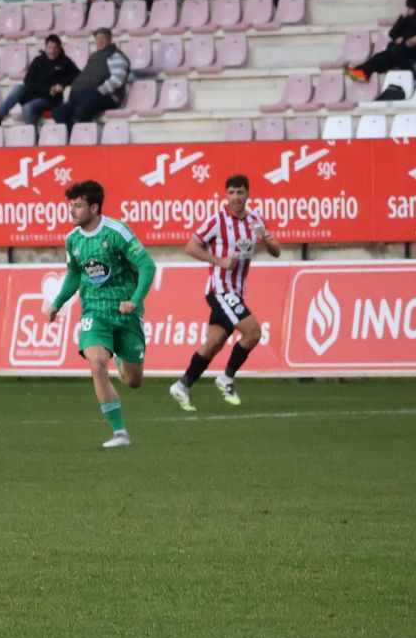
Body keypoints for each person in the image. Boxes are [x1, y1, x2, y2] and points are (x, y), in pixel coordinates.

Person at [45, 179, 157, 449]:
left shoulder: (117, 232)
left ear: (94, 208)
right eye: (71, 205)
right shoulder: (72, 240)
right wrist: (57, 303)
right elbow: (74, 275)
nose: (72, 211)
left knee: (133, 380)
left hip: (126, 313)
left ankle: (120, 359)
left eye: (78, 206)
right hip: (94, 312)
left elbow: (147, 266)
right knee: (96, 364)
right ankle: (120, 433)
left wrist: (134, 300)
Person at [168, 175, 281, 412]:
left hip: (237, 292)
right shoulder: (217, 220)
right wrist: (218, 260)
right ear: (226, 195)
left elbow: (276, 251)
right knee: (253, 332)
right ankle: (227, 378)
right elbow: (191, 246)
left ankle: (182, 385)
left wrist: (266, 240)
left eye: (240, 192)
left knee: (213, 343)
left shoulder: (255, 219)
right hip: (219, 289)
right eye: (231, 192)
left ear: (247, 194)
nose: (236, 197)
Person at [0, 34, 79, 127]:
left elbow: (78, 75)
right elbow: (27, 80)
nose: (52, 51)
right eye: (49, 48)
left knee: (27, 108)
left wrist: (62, 84)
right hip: (34, 94)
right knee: (19, 88)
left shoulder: (66, 62)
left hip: (49, 99)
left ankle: (34, 134)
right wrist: (47, 89)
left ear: (60, 48)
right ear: (45, 47)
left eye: (55, 48)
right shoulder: (38, 60)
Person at [52, 27, 130, 126]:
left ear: (110, 39)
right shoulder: (94, 57)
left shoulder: (115, 56)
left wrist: (99, 91)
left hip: (107, 95)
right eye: (97, 39)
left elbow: (117, 79)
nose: (99, 41)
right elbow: (85, 75)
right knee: (58, 112)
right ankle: (71, 134)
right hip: (85, 94)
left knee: (81, 111)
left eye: (103, 38)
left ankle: (83, 136)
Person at [346, 0, 416, 80]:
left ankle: (362, 72)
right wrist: (402, 19)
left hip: (409, 51)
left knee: (389, 55)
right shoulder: (405, 18)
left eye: (410, 8)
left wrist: (403, 39)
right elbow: (392, 34)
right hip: (397, 49)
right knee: (380, 57)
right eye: (408, 7)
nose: (408, 10)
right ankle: (360, 71)